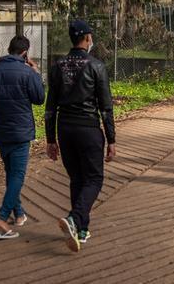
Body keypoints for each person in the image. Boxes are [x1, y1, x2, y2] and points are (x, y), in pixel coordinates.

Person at [45, 20, 116, 253]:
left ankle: (82, 230)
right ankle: (75, 219)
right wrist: (111, 140)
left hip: (65, 130)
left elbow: (50, 108)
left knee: (77, 179)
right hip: (88, 129)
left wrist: (51, 140)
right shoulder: (96, 66)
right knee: (94, 179)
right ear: (87, 38)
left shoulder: (57, 66)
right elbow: (106, 107)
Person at [0, 35, 45, 240]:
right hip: (21, 132)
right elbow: (40, 99)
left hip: (1, 132)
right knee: (17, 176)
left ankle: (19, 213)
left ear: (10, 49)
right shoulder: (27, 72)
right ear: (25, 53)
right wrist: (36, 74)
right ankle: (3, 217)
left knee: (11, 173)